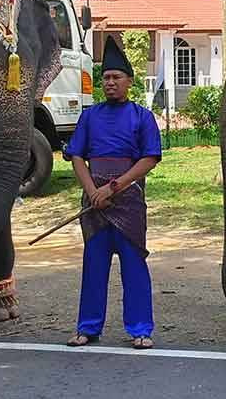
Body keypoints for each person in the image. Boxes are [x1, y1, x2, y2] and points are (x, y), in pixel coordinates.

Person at [65, 36, 162, 350]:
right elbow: (76, 156)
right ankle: (88, 327)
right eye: (105, 77)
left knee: (134, 266)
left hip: (128, 202)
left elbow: (149, 159)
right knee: (94, 266)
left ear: (129, 81)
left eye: (116, 77)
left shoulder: (142, 117)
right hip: (95, 204)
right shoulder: (89, 116)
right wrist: (93, 190)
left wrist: (114, 187)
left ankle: (140, 329)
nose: (109, 82)